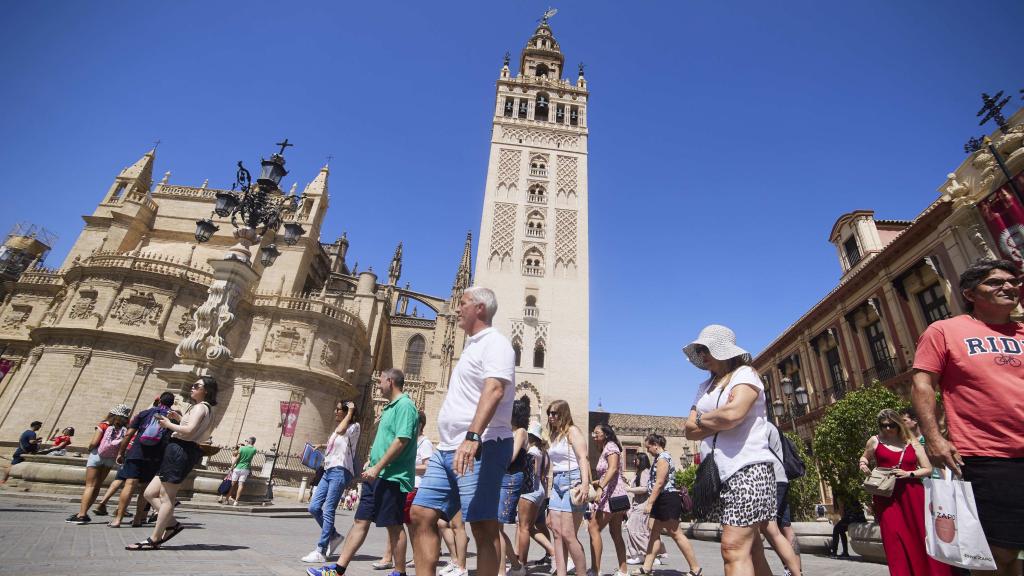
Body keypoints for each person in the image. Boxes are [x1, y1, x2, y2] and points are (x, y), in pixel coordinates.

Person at [911, 258, 1024, 573]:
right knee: (999, 551)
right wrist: (933, 438)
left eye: (1012, 281)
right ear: (970, 293)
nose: (1008, 287)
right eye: (994, 282)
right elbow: (922, 384)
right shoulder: (945, 331)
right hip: (989, 454)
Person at [409, 286, 516, 576]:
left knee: (482, 525)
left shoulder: (496, 343)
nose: (457, 308)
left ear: (479, 307)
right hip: (446, 448)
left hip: (482, 445)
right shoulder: (472, 345)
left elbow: (494, 390)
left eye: (463, 303)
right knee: (420, 514)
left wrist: (473, 436)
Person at [684, 324, 798, 576]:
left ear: (722, 350)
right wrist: (716, 419)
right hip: (718, 474)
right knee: (753, 549)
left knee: (733, 547)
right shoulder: (705, 387)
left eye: (706, 349)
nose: (702, 354)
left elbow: (734, 414)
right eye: (700, 349)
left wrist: (704, 420)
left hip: (748, 469)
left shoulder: (746, 374)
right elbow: (688, 429)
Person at [307, 368, 418, 576]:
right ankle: (338, 570)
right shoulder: (389, 408)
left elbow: (402, 440)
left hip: (392, 477)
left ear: (391, 382)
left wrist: (378, 466)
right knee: (360, 521)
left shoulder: (405, 406)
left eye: (381, 381)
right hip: (376, 475)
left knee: (394, 526)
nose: (378, 384)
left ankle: (400, 572)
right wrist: (372, 462)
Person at [126, 376, 217, 551]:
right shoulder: (206, 409)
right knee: (150, 493)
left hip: (180, 450)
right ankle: (172, 524)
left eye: (196, 386)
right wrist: (179, 417)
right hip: (181, 449)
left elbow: (190, 431)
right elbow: (194, 429)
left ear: (206, 390)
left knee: (167, 498)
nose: (192, 387)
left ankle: (154, 538)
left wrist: (168, 424)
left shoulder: (199, 408)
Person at [858, 409, 953, 576]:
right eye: (883, 425)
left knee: (919, 536)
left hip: (912, 494)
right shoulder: (875, 441)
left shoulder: (912, 442)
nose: (887, 429)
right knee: (893, 539)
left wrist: (909, 473)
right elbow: (865, 457)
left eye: (891, 425)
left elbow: (928, 469)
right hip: (886, 497)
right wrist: (863, 464)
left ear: (899, 424)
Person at [630, 434, 702, 576]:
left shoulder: (663, 458)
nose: (648, 450)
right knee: (654, 532)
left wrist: (649, 503)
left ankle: (696, 569)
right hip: (661, 499)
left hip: (667, 499)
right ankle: (646, 567)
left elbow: (660, 483)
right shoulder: (659, 458)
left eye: (648, 447)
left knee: (676, 534)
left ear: (656, 444)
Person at [302, 401, 359, 563]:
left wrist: (350, 412)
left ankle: (321, 550)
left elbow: (341, 431)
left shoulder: (354, 427)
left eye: (339, 409)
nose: (335, 411)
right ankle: (334, 536)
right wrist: (321, 445)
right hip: (328, 469)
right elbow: (336, 443)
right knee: (313, 507)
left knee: (329, 509)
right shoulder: (339, 428)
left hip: (341, 470)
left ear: (347, 412)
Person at [112, 393, 176, 528]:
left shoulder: (144, 413)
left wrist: (121, 452)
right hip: (156, 457)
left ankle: (118, 519)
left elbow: (129, 434)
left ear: (158, 400)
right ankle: (137, 519)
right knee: (145, 489)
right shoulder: (172, 418)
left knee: (129, 485)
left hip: (137, 452)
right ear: (172, 403)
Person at [545, 400, 591, 576]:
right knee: (556, 532)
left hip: (573, 481)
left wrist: (585, 484)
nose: (550, 416)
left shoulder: (573, 431)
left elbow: (583, 458)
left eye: (554, 413)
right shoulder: (555, 435)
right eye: (549, 413)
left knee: (568, 535)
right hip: (557, 482)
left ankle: (581, 573)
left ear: (563, 414)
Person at [67, 404, 130, 525]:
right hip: (110, 459)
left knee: (90, 485)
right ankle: (84, 512)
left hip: (97, 455)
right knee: (97, 486)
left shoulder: (104, 425)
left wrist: (90, 448)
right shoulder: (125, 428)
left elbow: (94, 442)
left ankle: (82, 514)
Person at [587, 423, 629, 576]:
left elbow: (612, 468)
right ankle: (623, 571)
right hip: (615, 494)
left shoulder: (610, 446)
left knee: (593, 528)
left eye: (596, 432)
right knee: (616, 533)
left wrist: (600, 487)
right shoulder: (608, 447)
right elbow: (611, 473)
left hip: (610, 495)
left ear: (606, 434)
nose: (593, 435)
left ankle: (595, 569)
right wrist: (596, 483)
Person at [762, 421, 802, 576]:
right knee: (785, 527)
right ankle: (796, 571)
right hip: (782, 478)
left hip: (770, 480)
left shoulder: (759, 427)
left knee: (764, 526)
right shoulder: (772, 427)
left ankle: (790, 570)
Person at [498, 396, 531, 576]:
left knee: (498, 526)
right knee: (496, 526)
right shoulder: (509, 431)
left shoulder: (520, 432)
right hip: (502, 477)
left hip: (510, 478)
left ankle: (506, 569)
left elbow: (511, 456)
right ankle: (515, 567)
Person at [516, 421, 555, 570]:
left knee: (524, 528)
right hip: (540, 490)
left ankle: (522, 564)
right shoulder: (543, 452)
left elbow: (529, 473)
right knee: (531, 527)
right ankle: (552, 552)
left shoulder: (531, 452)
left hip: (530, 490)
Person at [623, 453, 666, 566]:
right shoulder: (640, 473)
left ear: (640, 460)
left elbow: (644, 488)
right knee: (636, 529)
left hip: (643, 505)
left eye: (635, 459)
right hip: (638, 505)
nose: (633, 461)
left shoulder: (645, 472)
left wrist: (629, 489)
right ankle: (639, 555)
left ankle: (650, 555)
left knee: (636, 529)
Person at [227, 436, 257, 506]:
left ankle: (227, 499)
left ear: (249, 441)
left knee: (232, 484)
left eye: (247, 440)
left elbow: (237, 458)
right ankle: (236, 501)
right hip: (246, 469)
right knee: (241, 485)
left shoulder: (242, 448)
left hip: (238, 468)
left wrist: (232, 467)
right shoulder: (254, 449)